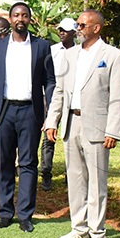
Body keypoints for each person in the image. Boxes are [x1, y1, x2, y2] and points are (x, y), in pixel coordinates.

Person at [44, 10, 120, 238]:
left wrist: (112, 131)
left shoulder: (112, 55)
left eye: (82, 25)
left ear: (96, 28)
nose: (77, 28)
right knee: (76, 179)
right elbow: (59, 91)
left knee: (97, 181)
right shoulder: (69, 55)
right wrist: (52, 121)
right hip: (72, 123)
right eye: (77, 24)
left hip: (98, 126)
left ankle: (97, 232)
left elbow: (117, 95)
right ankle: (78, 228)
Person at [0, 2, 54, 233]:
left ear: (30, 19)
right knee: (4, 164)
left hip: (30, 112)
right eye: (16, 15)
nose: (20, 19)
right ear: (10, 19)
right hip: (4, 112)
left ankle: (25, 215)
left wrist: (50, 111)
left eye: (24, 15)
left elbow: (50, 81)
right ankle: (4, 213)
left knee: (28, 164)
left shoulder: (42, 47)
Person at [40, 17, 76, 191]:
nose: (61, 32)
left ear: (74, 33)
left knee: (72, 137)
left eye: (65, 30)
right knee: (49, 135)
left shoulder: (80, 52)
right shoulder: (52, 50)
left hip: (72, 96)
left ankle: (72, 175)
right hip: (52, 95)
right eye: (60, 29)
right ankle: (46, 173)